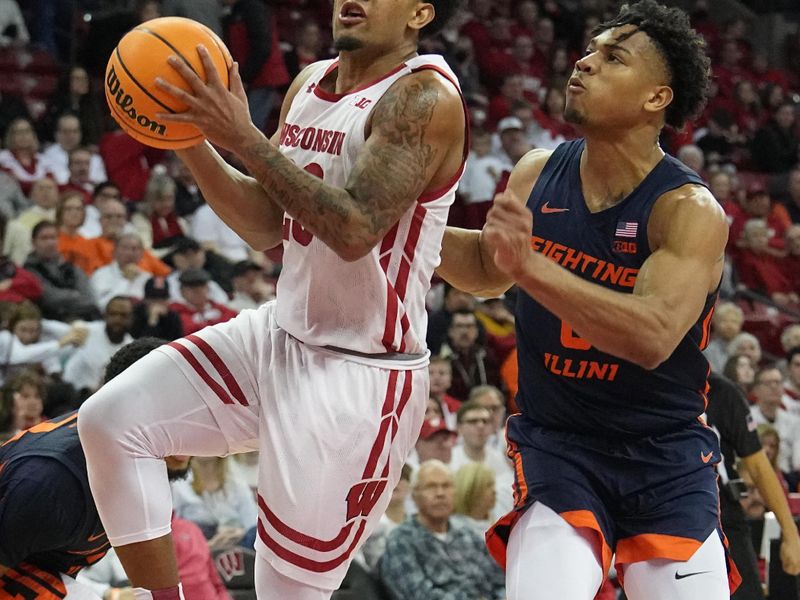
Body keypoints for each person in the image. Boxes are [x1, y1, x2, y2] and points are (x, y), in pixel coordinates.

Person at [78, 2, 468, 599]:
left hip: (360, 372)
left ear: (420, 11)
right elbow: (266, 223)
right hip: (279, 336)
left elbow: (355, 229)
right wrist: (189, 135)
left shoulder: (422, 99)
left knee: (285, 589)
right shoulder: (310, 83)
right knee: (111, 420)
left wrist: (242, 136)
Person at [437, 2, 741, 598]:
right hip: (560, 448)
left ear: (657, 98)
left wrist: (531, 265)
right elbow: (484, 268)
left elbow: (650, 337)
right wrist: (399, 223)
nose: (584, 61)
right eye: (590, 49)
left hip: (666, 458)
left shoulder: (688, 210)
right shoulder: (536, 170)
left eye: (612, 57)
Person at [0, 337, 191, 599]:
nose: (189, 431)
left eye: (189, 411)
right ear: (126, 409)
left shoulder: (140, 452)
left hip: (38, 568)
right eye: (172, 414)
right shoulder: (52, 481)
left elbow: (159, 590)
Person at [705, 373, 800, 600]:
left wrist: (790, 532)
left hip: (723, 516)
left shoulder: (722, 392)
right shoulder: (642, 386)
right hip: (663, 517)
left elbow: (758, 464)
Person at [378, 460, 505, 600]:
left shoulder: (468, 535)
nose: (440, 493)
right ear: (414, 496)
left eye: (446, 486)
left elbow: (500, 582)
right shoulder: (401, 540)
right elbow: (418, 594)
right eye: (431, 487)